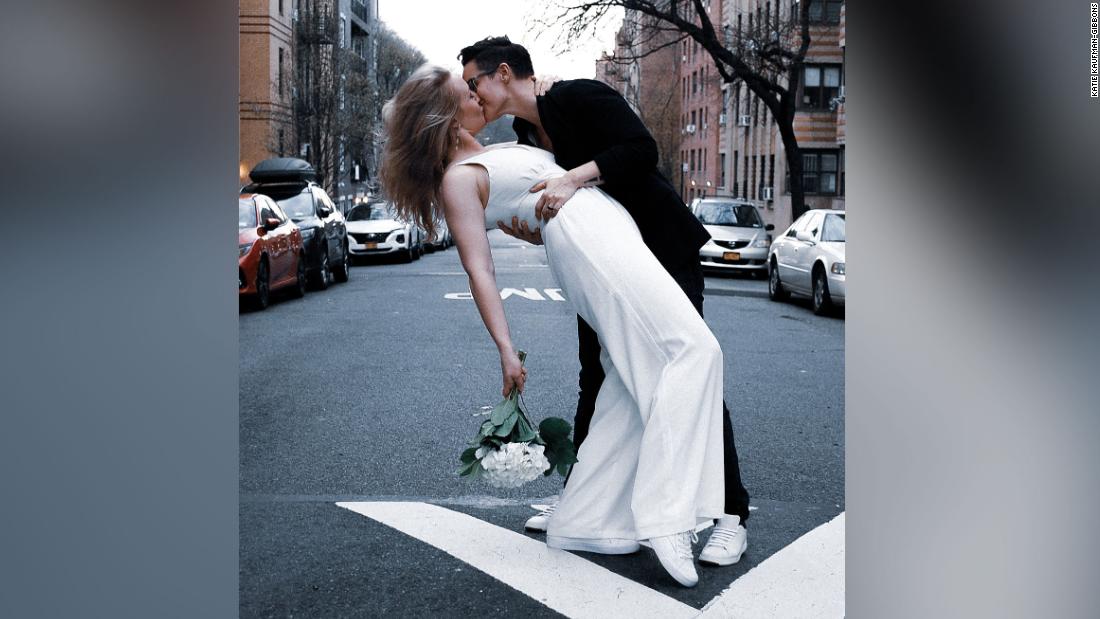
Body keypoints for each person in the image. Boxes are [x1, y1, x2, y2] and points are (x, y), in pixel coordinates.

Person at [380, 65, 726, 588]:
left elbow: (545, 184)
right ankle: (667, 519)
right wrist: (505, 348)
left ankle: (592, 520)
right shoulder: (459, 178)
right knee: (694, 350)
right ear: (449, 117)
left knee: (629, 382)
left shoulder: (490, 151)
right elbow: (479, 268)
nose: (475, 95)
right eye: (465, 92)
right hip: (590, 240)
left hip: (607, 230)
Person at [458, 36, 751, 566]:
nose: (472, 94)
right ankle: (588, 501)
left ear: (503, 73)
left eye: (474, 82)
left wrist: (574, 177)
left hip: (661, 248)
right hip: (606, 264)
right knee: (596, 374)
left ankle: (731, 516)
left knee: (686, 365)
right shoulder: (527, 131)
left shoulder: (579, 97)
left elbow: (642, 150)